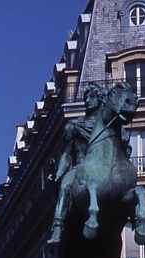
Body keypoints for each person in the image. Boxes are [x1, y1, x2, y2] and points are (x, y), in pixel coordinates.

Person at [47, 82, 108, 244]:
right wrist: (58, 174)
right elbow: (67, 154)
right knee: (65, 186)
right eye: (86, 97)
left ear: (100, 99)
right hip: (81, 166)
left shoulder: (109, 125)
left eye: (92, 97)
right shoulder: (74, 126)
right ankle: (58, 226)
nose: (88, 100)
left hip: (104, 165)